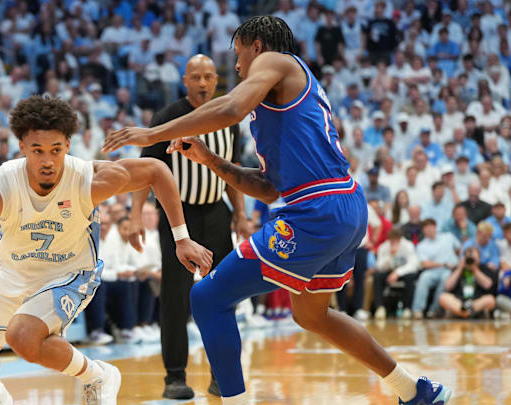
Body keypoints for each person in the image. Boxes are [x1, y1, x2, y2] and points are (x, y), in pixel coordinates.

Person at [103, 16, 451, 404]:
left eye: (238, 55)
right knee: (312, 315)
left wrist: (153, 132)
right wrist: (210, 159)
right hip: (343, 206)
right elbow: (268, 190)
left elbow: (232, 107)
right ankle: (415, 390)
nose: (236, 67)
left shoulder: (277, 61)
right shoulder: (283, 101)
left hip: (317, 210)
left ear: (256, 45)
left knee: (207, 298)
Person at [0, 96, 213, 405]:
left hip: (71, 272)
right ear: (22, 146)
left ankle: (98, 375)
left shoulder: (89, 180)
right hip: (14, 273)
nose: (48, 161)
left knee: (21, 335)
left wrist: (181, 238)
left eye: (56, 150)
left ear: (68, 144)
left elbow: (157, 170)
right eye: (37, 150)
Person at [129, 54, 247, 400]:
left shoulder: (229, 118)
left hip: (217, 214)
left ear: (216, 81)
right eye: (196, 77)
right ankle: (175, 377)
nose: (203, 83)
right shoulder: (167, 119)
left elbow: (232, 169)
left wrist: (239, 211)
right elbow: (146, 169)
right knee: (176, 300)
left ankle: (219, 375)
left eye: (209, 77)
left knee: (224, 297)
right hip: (178, 219)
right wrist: (136, 214)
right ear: (185, 81)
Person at [412, 219, 460, 319]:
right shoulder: (422, 246)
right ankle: (417, 310)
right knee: (423, 278)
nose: (429, 229)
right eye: (426, 227)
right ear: (423, 230)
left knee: (445, 279)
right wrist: (443, 264)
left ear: (435, 227)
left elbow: (459, 249)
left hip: (450, 270)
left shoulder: (448, 237)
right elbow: (425, 264)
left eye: (431, 226)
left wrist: (457, 262)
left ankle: (434, 310)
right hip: (433, 270)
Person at [439, 246, 496, 318]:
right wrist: (459, 269)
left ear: (479, 258)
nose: (470, 260)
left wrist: (474, 270)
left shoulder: (484, 268)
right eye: (468, 258)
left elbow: (488, 285)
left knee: (490, 299)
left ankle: (463, 313)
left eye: (473, 258)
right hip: (459, 302)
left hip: (476, 301)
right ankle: (467, 313)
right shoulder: (458, 268)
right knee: (443, 297)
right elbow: (448, 286)